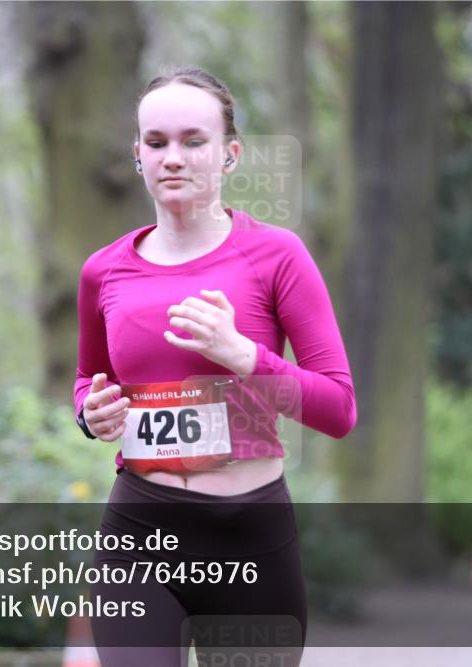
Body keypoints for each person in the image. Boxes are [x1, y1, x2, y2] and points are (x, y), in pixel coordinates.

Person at [72, 66, 357, 666]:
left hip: (250, 538)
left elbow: (338, 408)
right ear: (138, 156)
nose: (173, 157)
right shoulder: (103, 271)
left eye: (193, 141)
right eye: (157, 143)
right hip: (140, 533)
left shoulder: (278, 256)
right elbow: (87, 380)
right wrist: (89, 412)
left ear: (229, 154)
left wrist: (245, 357)